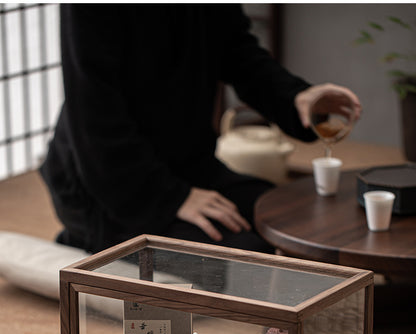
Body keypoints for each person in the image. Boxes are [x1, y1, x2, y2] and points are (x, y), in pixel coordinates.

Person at [40, 4, 361, 255]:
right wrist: (173, 198)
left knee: (290, 219)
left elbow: (239, 53)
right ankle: (88, 235)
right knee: (253, 254)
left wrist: (298, 97)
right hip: (110, 182)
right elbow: (95, 116)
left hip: (191, 169)